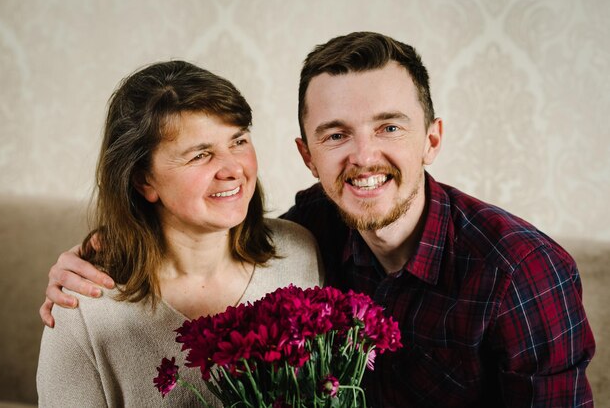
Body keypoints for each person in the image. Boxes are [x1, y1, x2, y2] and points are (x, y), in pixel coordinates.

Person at [40, 32, 595, 407]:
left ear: (432, 138)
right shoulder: (313, 232)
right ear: (307, 155)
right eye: (336, 134)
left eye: (389, 127)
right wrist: (94, 254)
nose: (364, 157)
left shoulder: (521, 274)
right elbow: (211, 237)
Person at [36, 60, 323, 407]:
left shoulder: (302, 253)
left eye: (239, 141)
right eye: (201, 155)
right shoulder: (82, 309)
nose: (233, 169)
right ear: (144, 180)